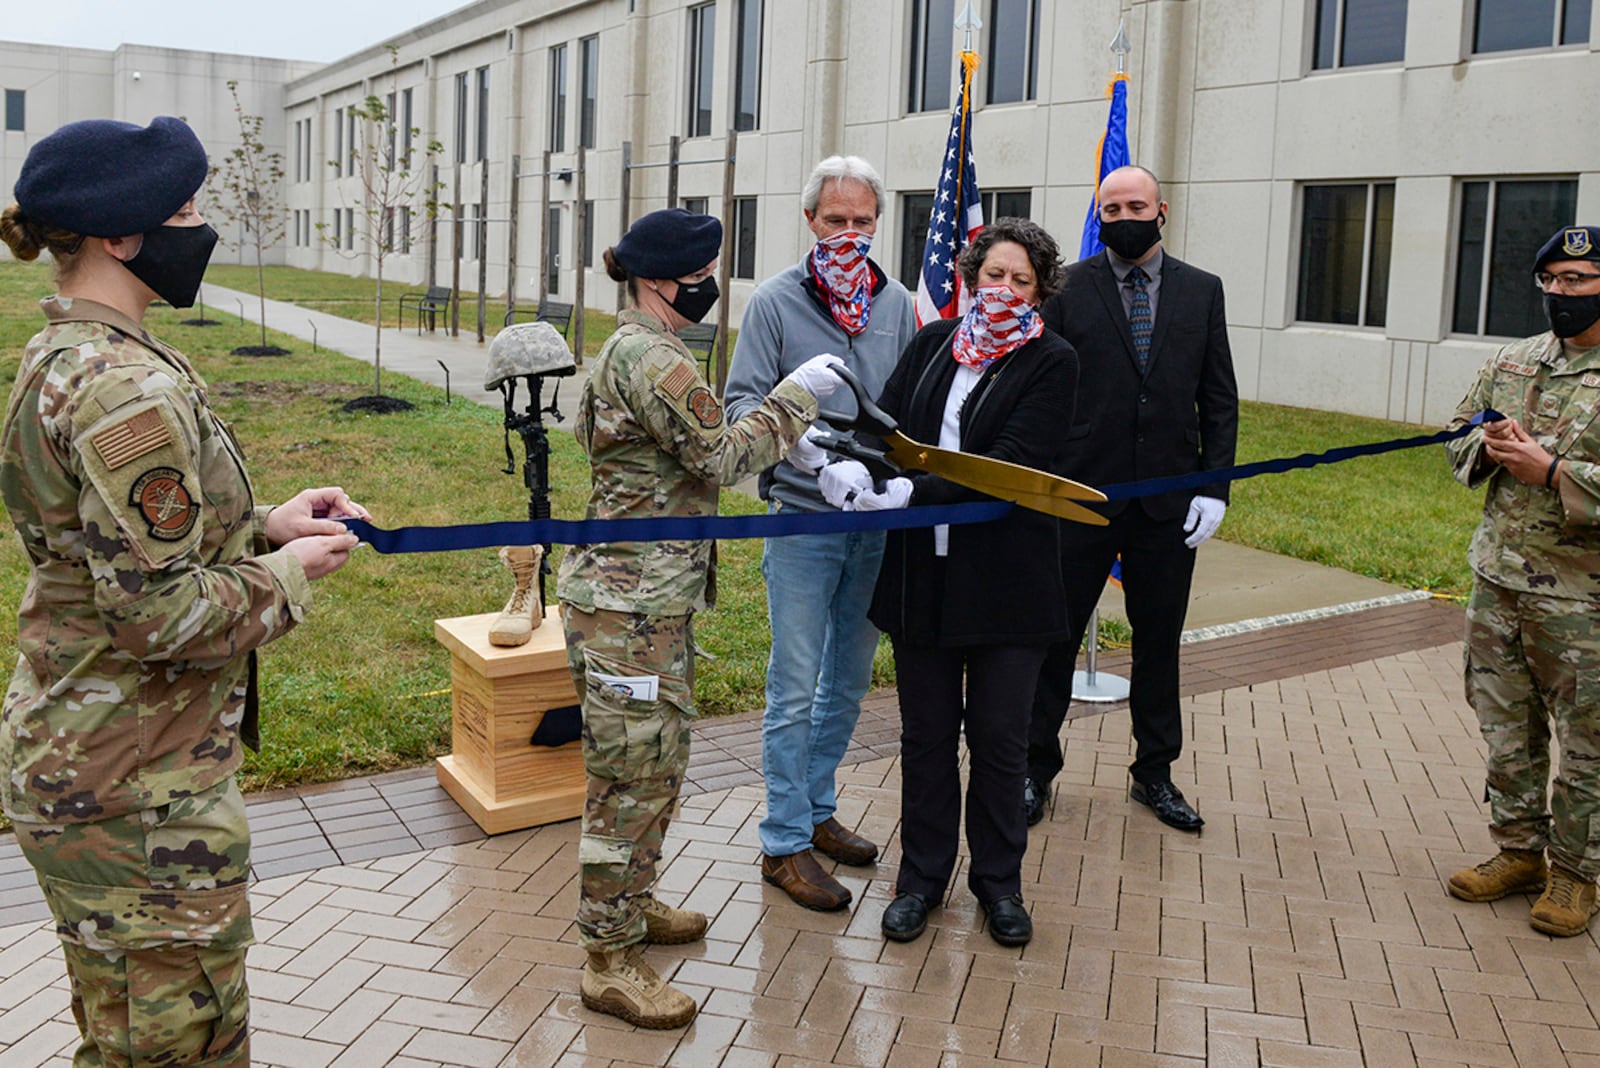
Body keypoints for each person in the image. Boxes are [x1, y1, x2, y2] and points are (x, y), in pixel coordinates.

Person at [0, 116, 366, 1067]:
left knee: (126, 1033)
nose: (201, 227)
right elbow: (153, 612)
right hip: (138, 794)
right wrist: (285, 575)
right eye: (187, 210)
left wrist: (263, 524)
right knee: (176, 1047)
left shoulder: (71, 356)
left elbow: (106, 551)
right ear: (122, 236)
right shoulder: (125, 390)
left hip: (103, 762)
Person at [556, 207, 845, 1028]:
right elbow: (720, 452)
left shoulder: (639, 346)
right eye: (702, 271)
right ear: (660, 279)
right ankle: (608, 958)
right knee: (627, 782)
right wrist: (796, 400)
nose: (711, 284)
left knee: (656, 767)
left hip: (645, 601)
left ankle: (633, 903)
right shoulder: (653, 356)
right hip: (627, 608)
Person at [821, 218, 1076, 948]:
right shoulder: (933, 346)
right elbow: (888, 434)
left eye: (1020, 280)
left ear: (1041, 289)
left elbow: (1007, 464)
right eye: (993, 275)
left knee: (999, 743)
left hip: (1008, 587)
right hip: (921, 582)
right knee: (926, 738)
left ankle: (999, 886)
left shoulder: (1053, 361)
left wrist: (905, 494)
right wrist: (853, 469)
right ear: (970, 277)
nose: (1003, 290)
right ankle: (920, 882)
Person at [723, 156, 917, 912]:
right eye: (835, 221)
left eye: (862, 222)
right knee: (794, 686)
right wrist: (807, 452)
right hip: (804, 518)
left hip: (874, 521)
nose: (849, 234)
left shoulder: (895, 302)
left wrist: (898, 479)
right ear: (810, 222)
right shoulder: (774, 302)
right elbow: (742, 404)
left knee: (847, 680)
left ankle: (816, 809)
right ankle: (782, 843)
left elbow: (906, 399)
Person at [1024, 165, 1238, 833]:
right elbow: (1044, 389)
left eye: (1135, 205)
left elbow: (1219, 398)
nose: (1123, 217)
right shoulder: (1069, 289)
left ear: (1162, 210)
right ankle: (1035, 770)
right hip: (1082, 497)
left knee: (1159, 642)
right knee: (1053, 639)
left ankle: (1156, 772)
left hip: (1169, 504)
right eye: (1110, 208)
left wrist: (1214, 487)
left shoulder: (1203, 291)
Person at [1442, 225, 1600, 938]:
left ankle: (1574, 875)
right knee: (1507, 729)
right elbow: (1457, 431)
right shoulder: (1514, 362)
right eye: (1553, 281)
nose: (1562, 294)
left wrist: (1556, 473)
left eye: (1579, 280)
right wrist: (1490, 447)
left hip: (1582, 598)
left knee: (1588, 742)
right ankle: (1518, 852)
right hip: (1498, 580)